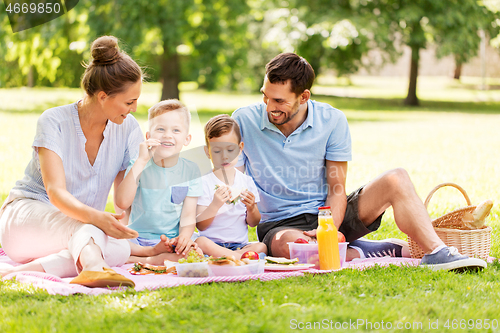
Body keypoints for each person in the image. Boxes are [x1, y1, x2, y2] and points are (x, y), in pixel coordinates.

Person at [231, 53, 486, 271]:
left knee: (396, 178)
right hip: (282, 225)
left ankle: (437, 252)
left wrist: (328, 228)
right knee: (304, 252)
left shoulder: (332, 121)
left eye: (279, 101)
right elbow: (229, 179)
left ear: (304, 96)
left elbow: (337, 187)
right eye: (265, 96)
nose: (268, 106)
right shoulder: (244, 120)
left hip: (329, 215)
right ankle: (365, 252)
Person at [0, 35, 149, 287]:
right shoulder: (54, 121)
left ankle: (19, 273)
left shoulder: (127, 128)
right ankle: (93, 266)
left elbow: (122, 201)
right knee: (89, 229)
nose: (134, 108)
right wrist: (97, 218)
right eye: (129, 101)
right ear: (103, 96)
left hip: (81, 229)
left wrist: (142, 161)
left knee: (120, 249)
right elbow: (55, 192)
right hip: (26, 219)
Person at [115, 99, 202, 261]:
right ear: (148, 136)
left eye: (176, 130)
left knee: (198, 249)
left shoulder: (191, 170)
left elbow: (189, 215)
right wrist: (141, 161)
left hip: (171, 240)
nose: (167, 135)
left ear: (187, 139)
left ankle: (139, 259)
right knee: (110, 243)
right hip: (137, 238)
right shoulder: (139, 163)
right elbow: (122, 203)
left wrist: (183, 238)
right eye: (160, 129)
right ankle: (149, 257)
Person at [194, 115, 267, 258]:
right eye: (217, 151)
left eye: (230, 149)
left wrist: (251, 207)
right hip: (212, 244)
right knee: (200, 242)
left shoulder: (246, 182)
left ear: (240, 149)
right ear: (207, 152)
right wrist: (215, 204)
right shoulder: (204, 182)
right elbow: (201, 225)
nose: (224, 156)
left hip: (239, 244)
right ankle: (238, 257)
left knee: (262, 246)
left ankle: (232, 256)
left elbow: (253, 222)